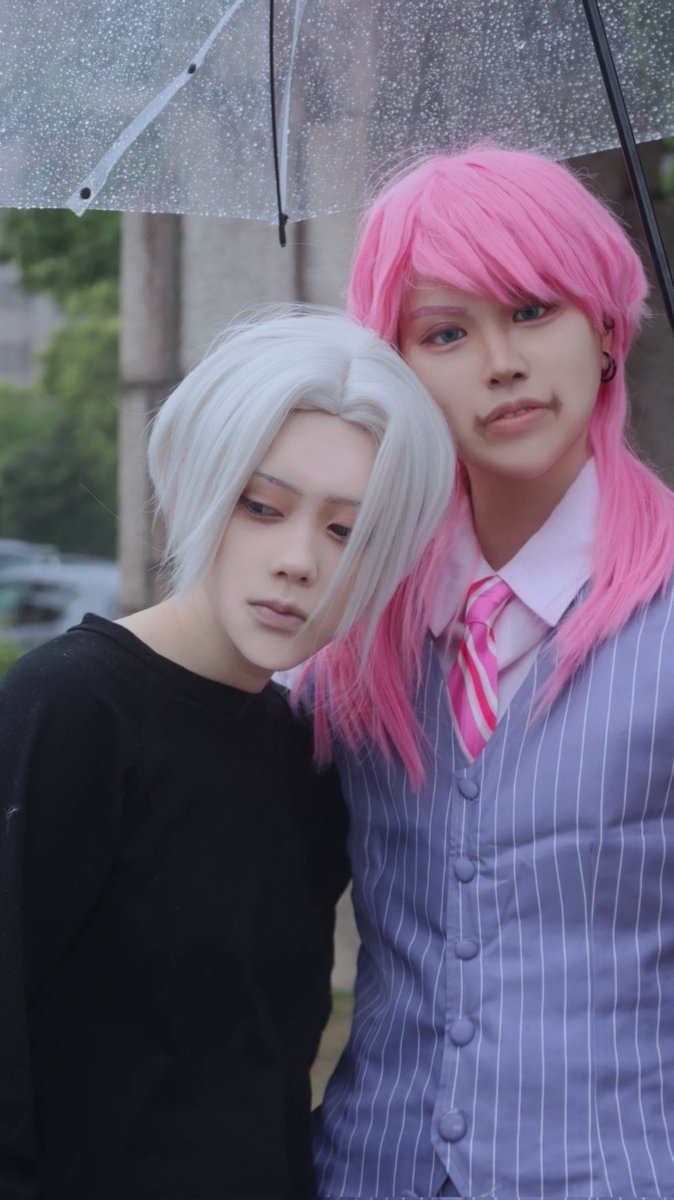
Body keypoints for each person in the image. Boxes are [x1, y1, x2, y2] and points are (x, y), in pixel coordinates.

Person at [0, 308, 455, 1200]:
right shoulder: (71, 711)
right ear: (196, 486)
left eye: (347, 531)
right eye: (262, 506)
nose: (297, 561)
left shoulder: (305, 755)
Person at [307, 149, 674, 1198]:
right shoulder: (350, 623)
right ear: (398, 368)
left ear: (604, 328)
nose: (501, 363)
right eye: (445, 333)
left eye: (531, 309)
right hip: (370, 1171)